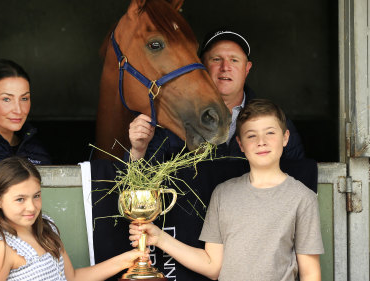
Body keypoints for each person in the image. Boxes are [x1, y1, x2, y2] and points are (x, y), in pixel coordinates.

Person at [129, 99, 323, 281]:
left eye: (270, 133)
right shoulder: (223, 194)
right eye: (251, 135)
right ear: (240, 144)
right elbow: (213, 266)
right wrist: (160, 238)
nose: (261, 141)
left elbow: (310, 273)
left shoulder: (302, 198)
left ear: (285, 137)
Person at [128, 27, 304, 162]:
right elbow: (141, 183)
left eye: (234, 60)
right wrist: (138, 149)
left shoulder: (274, 120)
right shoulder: (172, 118)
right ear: (201, 66)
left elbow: (298, 174)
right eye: (216, 59)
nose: (225, 67)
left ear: (247, 69)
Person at [0, 156, 145, 281]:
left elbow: (73, 278)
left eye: (36, 196)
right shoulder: (2, 248)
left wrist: (127, 259)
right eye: (20, 199)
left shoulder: (47, 228)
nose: (31, 207)